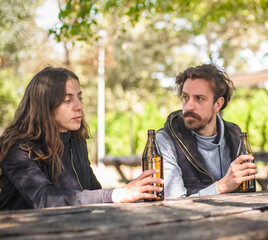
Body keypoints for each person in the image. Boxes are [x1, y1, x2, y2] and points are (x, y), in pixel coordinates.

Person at [0, 67, 163, 210]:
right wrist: (116, 194)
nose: (79, 106)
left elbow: (92, 192)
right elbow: (45, 199)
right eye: (68, 100)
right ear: (45, 106)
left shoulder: (76, 141)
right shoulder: (18, 148)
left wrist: (134, 193)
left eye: (79, 98)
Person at [156, 63, 258, 198]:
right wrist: (223, 186)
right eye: (185, 97)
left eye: (199, 98)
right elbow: (173, 204)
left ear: (218, 104)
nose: (189, 106)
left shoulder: (235, 135)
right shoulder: (166, 140)